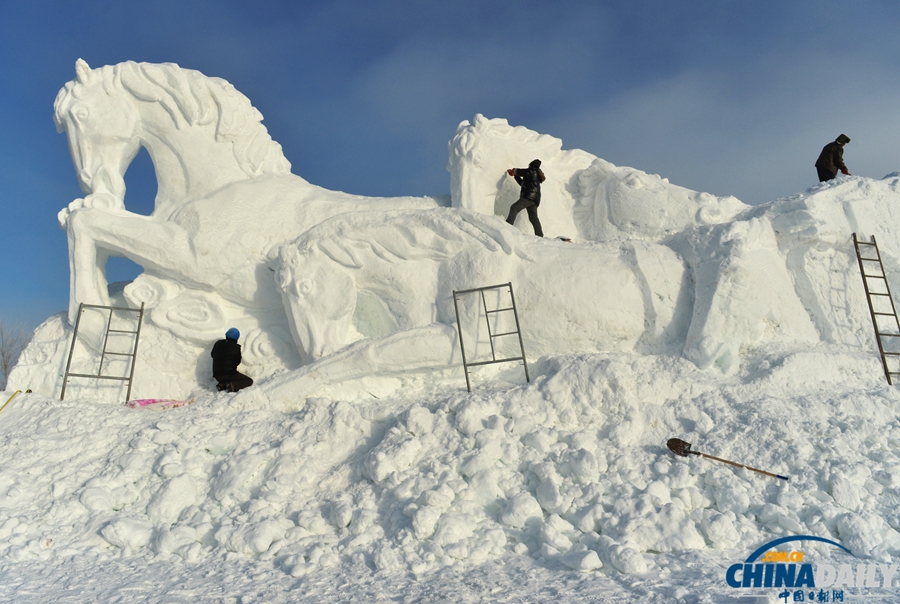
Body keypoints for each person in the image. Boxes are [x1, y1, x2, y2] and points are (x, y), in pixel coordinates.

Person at [505, 159, 546, 237]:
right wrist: (515, 175)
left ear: (531, 165)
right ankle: (540, 235)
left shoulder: (532, 171)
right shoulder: (534, 175)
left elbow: (522, 172)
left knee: (514, 207)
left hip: (529, 197)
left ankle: (507, 226)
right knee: (533, 218)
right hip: (534, 199)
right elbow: (522, 184)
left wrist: (515, 170)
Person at [211, 328, 253, 392]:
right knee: (249, 381)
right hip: (229, 374)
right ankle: (233, 385)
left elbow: (212, 355)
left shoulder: (218, 343)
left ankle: (223, 384)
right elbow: (237, 361)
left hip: (217, 375)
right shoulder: (236, 347)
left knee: (228, 377)